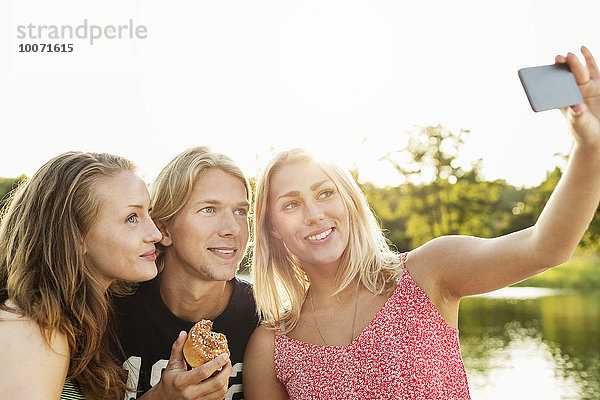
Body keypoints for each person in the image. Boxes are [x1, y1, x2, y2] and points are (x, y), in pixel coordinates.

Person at [243, 46, 600, 399]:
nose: (314, 213)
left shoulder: (427, 272)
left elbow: (545, 247)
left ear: (349, 202)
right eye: (291, 204)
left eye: (324, 193)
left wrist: (590, 147)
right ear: (272, 227)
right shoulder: (270, 347)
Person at [0, 151, 162, 399]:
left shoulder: (78, 317)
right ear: (75, 236)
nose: (155, 234)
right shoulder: (34, 327)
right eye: (132, 218)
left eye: (148, 212)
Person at [114, 146, 259, 400]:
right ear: (164, 229)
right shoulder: (108, 312)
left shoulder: (265, 320)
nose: (232, 229)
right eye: (209, 209)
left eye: (240, 212)